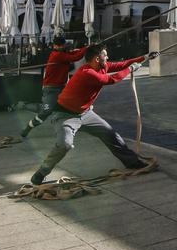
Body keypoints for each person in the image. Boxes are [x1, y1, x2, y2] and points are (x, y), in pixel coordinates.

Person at [29, 44, 157, 185]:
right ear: (97, 58)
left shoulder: (103, 67)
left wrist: (145, 57)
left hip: (85, 113)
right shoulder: (87, 73)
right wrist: (131, 69)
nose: (107, 57)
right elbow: (110, 80)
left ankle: (132, 162)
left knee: (111, 135)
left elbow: (122, 64)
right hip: (65, 115)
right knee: (64, 144)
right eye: (105, 55)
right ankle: (42, 172)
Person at [20, 36, 87, 138]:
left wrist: (89, 47)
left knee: (72, 105)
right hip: (51, 89)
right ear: (54, 45)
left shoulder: (63, 53)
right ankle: (27, 124)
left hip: (62, 87)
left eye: (61, 45)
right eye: (58, 45)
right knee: (46, 111)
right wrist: (87, 49)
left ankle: (74, 126)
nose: (60, 47)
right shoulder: (57, 55)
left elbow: (74, 54)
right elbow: (75, 57)